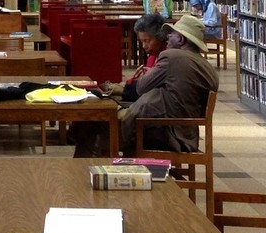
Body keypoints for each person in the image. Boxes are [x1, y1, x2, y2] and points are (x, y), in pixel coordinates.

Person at [74, 14, 219, 156]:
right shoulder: (206, 66)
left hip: (164, 131)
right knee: (99, 121)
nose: (167, 37)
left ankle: (85, 170)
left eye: (172, 34)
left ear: (180, 39)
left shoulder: (172, 56)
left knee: (94, 122)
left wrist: (150, 75)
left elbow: (141, 87)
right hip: (186, 134)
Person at [102, 13, 168, 101]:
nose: (144, 46)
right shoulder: (153, 56)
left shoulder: (167, 57)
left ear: (160, 37)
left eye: (147, 41)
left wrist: (141, 80)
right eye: (141, 41)